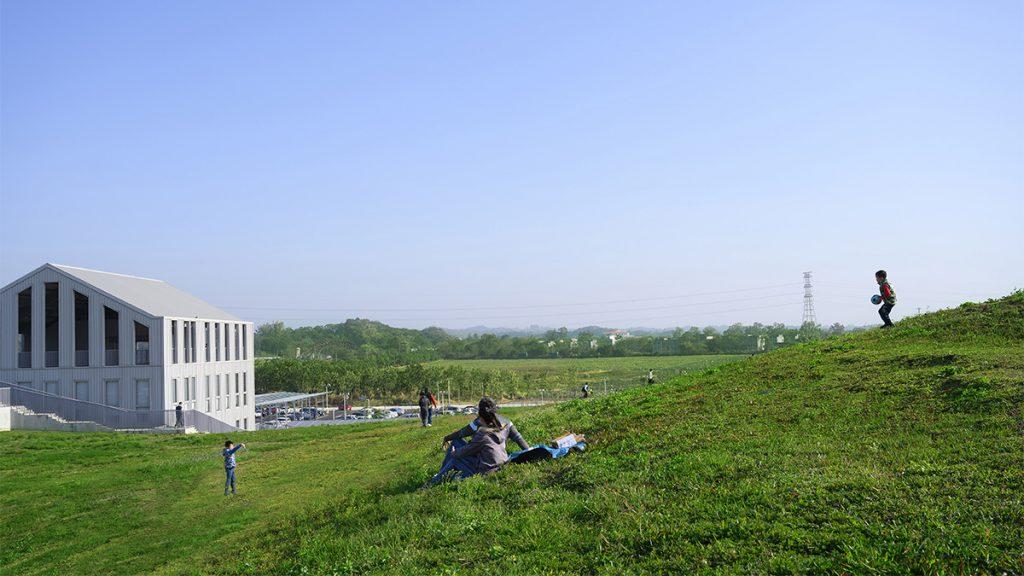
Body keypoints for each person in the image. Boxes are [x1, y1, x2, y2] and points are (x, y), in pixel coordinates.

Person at [427, 397, 530, 486]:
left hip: (485, 464)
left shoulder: (479, 423)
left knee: (456, 445)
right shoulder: (507, 423)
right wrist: (530, 453)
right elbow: (519, 439)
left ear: (480, 412)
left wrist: (448, 438)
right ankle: (444, 474)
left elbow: (461, 433)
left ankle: (440, 475)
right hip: (499, 460)